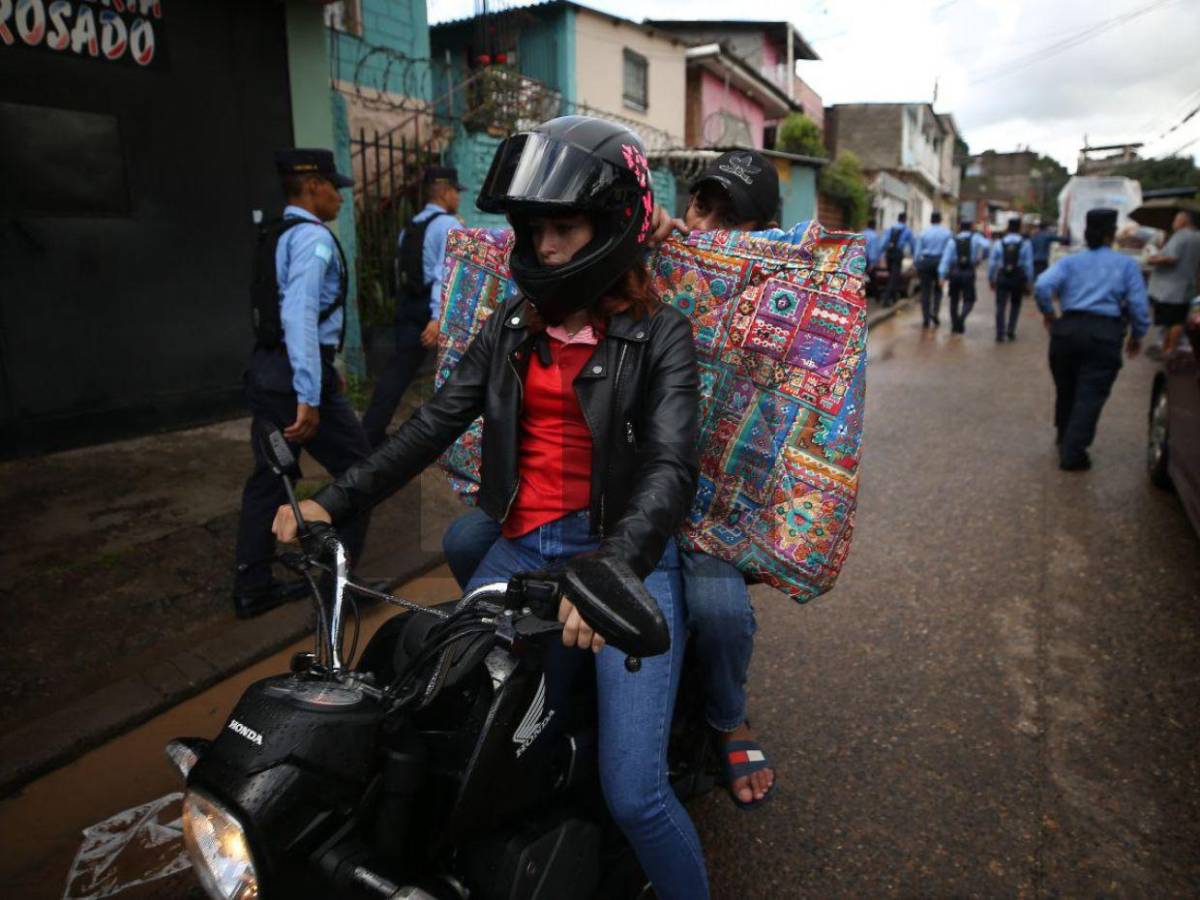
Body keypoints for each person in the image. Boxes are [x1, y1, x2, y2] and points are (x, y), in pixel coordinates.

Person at [272, 117, 710, 899]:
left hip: (620, 561)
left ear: (610, 228)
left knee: (635, 794)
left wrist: (613, 569)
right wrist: (331, 502)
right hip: (522, 546)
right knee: (430, 717)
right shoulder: (514, 326)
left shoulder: (659, 335)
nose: (544, 249)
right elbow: (433, 423)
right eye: (535, 230)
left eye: (564, 228)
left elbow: (670, 468)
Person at [442, 148, 789, 811]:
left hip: (699, 507)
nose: (708, 225)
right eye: (700, 205)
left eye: (731, 219)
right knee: (463, 539)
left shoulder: (771, 298)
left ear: (763, 232)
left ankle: (726, 717)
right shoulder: (646, 258)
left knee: (720, 610)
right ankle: (554, 668)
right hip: (604, 491)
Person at [232, 149, 372, 619]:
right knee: (360, 475)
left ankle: (251, 586)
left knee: (272, 478)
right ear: (313, 188)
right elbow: (299, 317)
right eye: (335, 188)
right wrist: (310, 395)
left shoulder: (277, 232)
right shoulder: (313, 239)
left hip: (268, 374)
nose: (339, 198)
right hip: (296, 382)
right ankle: (338, 592)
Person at [1034, 208, 1150, 472]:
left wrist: (1049, 315)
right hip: (1104, 334)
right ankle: (1073, 453)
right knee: (1090, 394)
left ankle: (1065, 437)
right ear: (1112, 235)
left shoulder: (1069, 261)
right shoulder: (1126, 265)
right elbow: (1138, 306)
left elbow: (1042, 286)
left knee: (1067, 388)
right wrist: (1137, 334)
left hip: (1067, 331)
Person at [361, 167, 467, 447]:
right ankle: (447, 437)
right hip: (431, 310)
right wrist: (437, 317)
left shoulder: (411, 225)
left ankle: (371, 430)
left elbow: (400, 269)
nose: (458, 197)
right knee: (452, 370)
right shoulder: (448, 225)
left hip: (408, 305)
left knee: (398, 370)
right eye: (456, 191)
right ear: (445, 192)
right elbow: (445, 273)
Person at [1146, 209, 1200, 350]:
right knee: (1178, 320)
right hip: (1185, 287)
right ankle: (1169, 349)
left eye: (1175, 220)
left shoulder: (1181, 236)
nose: (1173, 223)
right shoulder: (1197, 236)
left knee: (1173, 322)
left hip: (1170, 289)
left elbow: (1171, 258)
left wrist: (1153, 259)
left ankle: (1169, 350)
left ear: (1183, 221)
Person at [938, 219, 990, 334]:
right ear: (971, 227)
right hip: (968, 272)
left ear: (959, 227)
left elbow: (945, 259)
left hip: (955, 272)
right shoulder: (976, 238)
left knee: (954, 300)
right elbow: (987, 246)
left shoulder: (952, 240)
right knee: (969, 299)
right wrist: (981, 258)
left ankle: (955, 325)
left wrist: (941, 275)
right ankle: (961, 319)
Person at [988, 217, 1034, 342]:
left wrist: (991, 278)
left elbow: (992, 263)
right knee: (1015, 304)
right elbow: (1029, 264)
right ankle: (1011, 330)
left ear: (1008, 228)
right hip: (1018, 277)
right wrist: (1029, 282)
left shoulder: (999, 242)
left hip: (1002, 276)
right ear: (1019, 228)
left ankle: (999, 333)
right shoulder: (1026, 243)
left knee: (1000, 305)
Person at [913, 212, 953, 328]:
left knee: (925, 291)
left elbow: (917, 252)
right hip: (941, 262)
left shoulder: (924, 232)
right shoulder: (947, 233)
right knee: (938, 290)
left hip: (926, 262)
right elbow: (949, 251)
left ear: (930, 220)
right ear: (940, 220)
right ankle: (935, 313)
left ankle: (925, 318)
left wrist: (917, 264)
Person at [879, 213, 915, 307]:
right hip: (897, 254)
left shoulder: (890, 229)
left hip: (889, 254)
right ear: (905, 220)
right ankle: (886, 300)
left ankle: (894, 297)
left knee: (892, 275)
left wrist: (881, 253)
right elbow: (912, 244)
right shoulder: (907, 230)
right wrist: (914, 255)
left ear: (898, 219)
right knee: (894, 277)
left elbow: (883, 242)